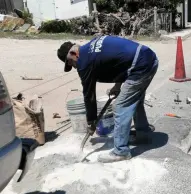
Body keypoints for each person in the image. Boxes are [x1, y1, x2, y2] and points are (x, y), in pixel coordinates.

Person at [57, 35, 158, 163]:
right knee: (133, 101)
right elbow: (119, 60)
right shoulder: (91, 47)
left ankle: (121, 151)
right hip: (147, 58)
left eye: (70, 63)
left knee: (120, 107)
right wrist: (117, 85)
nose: (74, 66)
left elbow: (89, 95)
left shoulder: (83, 62)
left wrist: (91, 121)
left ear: (72, 54)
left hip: (141, 66)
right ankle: (143, 134)